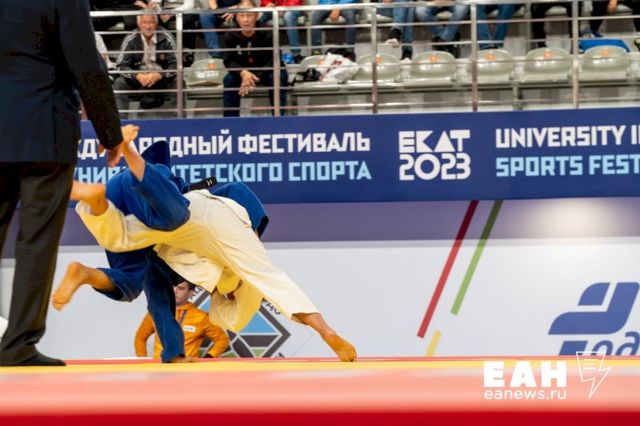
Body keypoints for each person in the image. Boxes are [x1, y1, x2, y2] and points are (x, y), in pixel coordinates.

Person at [69, 139, 357, 362]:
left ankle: (97, 204)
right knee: (160, 223)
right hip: (187, 211)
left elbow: (158, 296)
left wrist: (173, 353)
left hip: (166, 210)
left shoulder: (216, 261)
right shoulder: (236, 260)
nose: (219, 293)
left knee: (130, 259)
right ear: (232, 293)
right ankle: (122, 167)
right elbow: (274, 284)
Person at [0, 0, 124, 367]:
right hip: (45, 130)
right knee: (37, 244)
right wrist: (109, 132)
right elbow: (86, 61)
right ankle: (18, 345)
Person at [223, 0, 288, 117]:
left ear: (257, 16)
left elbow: (275, 60)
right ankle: (230, 123)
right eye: (241, 15)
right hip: (244, 72)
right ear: (236, 17)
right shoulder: (230, 35)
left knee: (277, 77)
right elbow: (228, 60)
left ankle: (279, 120)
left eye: (249, 15)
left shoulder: (269, 32)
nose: (245, 20)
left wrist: (254, 77)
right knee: (229, 80)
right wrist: (243, 73)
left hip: (267, 71)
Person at [135, 281, 230, 359]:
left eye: (180, 288)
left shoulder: (201, 317)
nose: (174, 291)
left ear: (191, 292)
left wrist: (209, 357)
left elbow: (222, 339)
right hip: (159, 367)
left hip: (188, 369)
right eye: (172, 286)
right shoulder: (156, 312)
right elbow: (140, 338)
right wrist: (143, 360)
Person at [114, 14, 178, 117]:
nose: (148, 26)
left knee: (178, 82)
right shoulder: (131, 39)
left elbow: (176, 64)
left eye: (151, 22)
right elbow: (121, 66)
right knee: (119, 83)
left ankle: (180, 120)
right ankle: (121, 122)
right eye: (144, 22)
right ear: (139, 24)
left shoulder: (167, 37)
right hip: (138, 78)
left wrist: (160, 74)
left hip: (161, 78)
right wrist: (137, 75)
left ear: (156, 24)